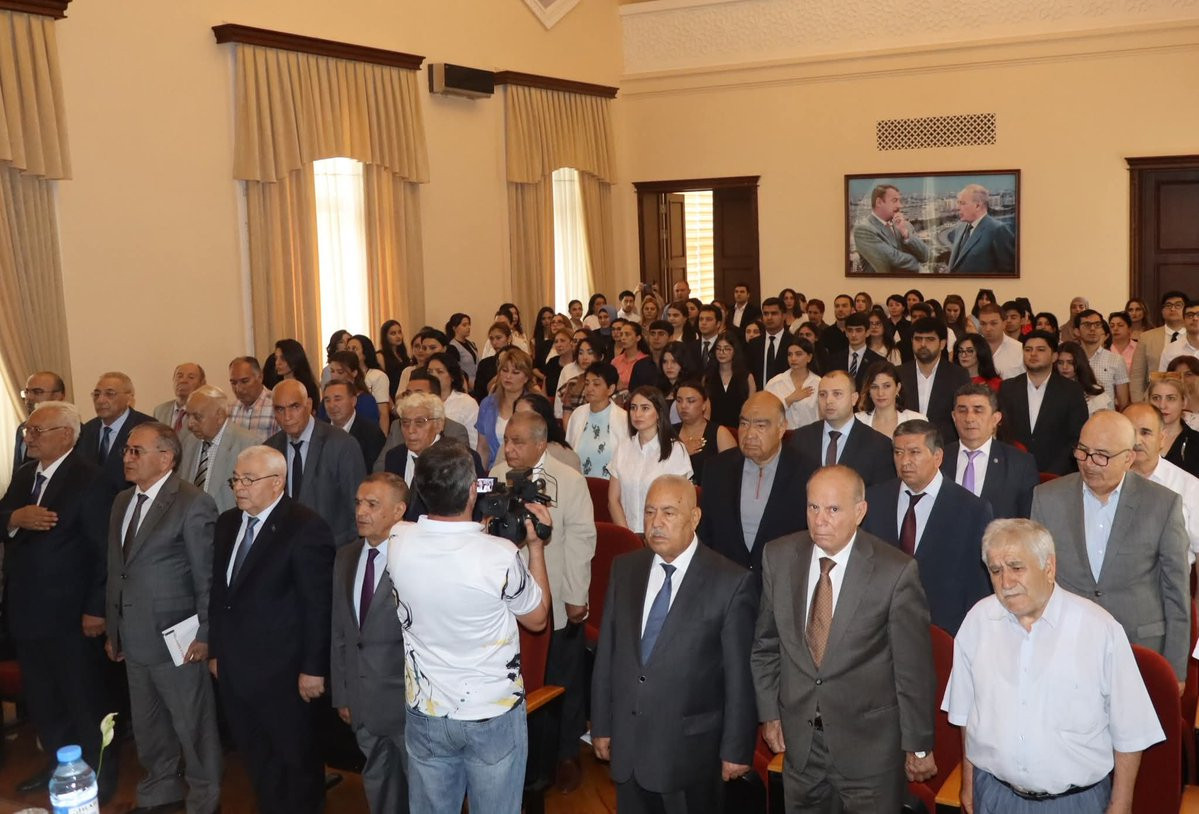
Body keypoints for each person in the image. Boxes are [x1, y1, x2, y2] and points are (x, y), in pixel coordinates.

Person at [943, 518, 1164, 813]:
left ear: (1049, 567)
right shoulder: (977, 622)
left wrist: (1121, 804)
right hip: (995, 795)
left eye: (1016, 567)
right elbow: (966, 715)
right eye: (996, 571)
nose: (1006, 583)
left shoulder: (1099, 630)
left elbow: (1131, 730)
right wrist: (969, 786)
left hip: (1074, 803)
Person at [752, 465, 937, 812]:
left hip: (869, 750)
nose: (820, 520)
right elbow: (766, 645)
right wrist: (769, 713)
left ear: (859, 511)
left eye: (833, 509)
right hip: (801, 745)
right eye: (813, 507)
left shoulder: (894, 571)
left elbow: (913, 670)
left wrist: (919, 744)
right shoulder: (778, 557)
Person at [387, 441, 551, 814]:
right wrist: (536, 548)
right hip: (491, 712)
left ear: (420, 490)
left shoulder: (398, 539)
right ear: (474, 490)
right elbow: (537, 618)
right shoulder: (500, 556)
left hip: (426, 710)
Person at [592, 475, 758, 812]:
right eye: (650, 512)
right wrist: (602, 724)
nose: (656, 523)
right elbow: (607, 654)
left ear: (694, 518)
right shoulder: (625, 569)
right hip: (629, 745)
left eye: (668, 513)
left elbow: (739, 676)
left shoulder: (730, 582)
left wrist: (737, 748)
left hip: (690, 755)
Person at [208, 446, 335, 814]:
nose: (239, 487)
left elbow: (318, 606)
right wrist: (216, 651)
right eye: (236, 480)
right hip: (235, 668)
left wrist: (313, 668)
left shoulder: (305, 527)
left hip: (285, 673)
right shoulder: (228, 523)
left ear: (278, 482)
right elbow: (219, 593)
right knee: (256, 757)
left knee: (296, 760)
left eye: (249, 480)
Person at [105, 422, 222, 814]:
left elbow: (207, 576)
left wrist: (205, 633)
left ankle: (204, 798)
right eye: (126, 450)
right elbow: (116, 569)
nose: (127, 457)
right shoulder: (122, 501)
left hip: (178, 639)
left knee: (192, 725)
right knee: (148, 724)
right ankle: (160, 789)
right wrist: (114, 629)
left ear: (166, 458)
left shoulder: (193, 502)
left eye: (136, 451)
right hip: (133, 635)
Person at [0, 402, 113, 800]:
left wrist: (96, 608)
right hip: (27, 610)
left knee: (83, 699)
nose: (28, 438)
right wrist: (15, 519)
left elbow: (104, 551)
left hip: (71, 614)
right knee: (44, 700)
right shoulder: (25, 474)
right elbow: (2, 514)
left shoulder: (91, 479)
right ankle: (59, 767)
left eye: (37, 431)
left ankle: (99, 776)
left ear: (66, 435)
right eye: (27, 431)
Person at [1030, 410, 1190, 683]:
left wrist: (1174, 670)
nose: (1089, 464)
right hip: (1065, 645)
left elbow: (1176, 593)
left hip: (1139, 648)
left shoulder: (1162, 504)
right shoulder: (1047, 497)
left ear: (1128, 458)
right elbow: (1037, 579)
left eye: (1102, 455)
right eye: (1083, 451)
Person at [491, 411, 596, 790]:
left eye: (518, 442)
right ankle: (521, 753)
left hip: (555, 592)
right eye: (506, 440)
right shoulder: (498, 474)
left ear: (540, 444)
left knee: (563, 677)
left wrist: (576, 596)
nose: (509, 449)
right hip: (506, 598)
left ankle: (566, 753)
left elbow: (582, 540)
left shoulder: (568, 480)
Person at [861, 419, 992, 634]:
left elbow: (978, 584)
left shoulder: (972, 510)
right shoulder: (874, 500)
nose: (905, 461)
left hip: (944, 629)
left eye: (914, 452)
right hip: (882, 627)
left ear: (937, 457)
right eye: (898, 453)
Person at [332, 473, 411, 814]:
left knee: (423, 791)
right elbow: (340, 631)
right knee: (379, 787)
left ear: (398, 511)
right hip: (362, 703)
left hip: (407, 704)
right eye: (358, 503)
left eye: (372, 504)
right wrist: (343, 693)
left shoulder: (416, 558)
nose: (361, 511)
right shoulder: (346, 556)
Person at [699, 392, 814, 573]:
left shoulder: (807, 472)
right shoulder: (716, 469)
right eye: (744, 424)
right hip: (726, 576)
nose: (749, 434)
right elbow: (705, 533)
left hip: (783, 577)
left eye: (760, 426)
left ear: (781, 429)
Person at [265, 379, 366, 547]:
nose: (287, 417)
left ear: (309, 404)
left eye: (295, 407)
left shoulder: (342, 444)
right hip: (284, 549)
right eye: (280, 409)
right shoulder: (270, 449)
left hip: (333, 549)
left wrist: (348, 555)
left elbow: (357, 505)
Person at [997, 331, 1089, 475]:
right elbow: (1001, 432)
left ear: (1054, 356)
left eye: (1040, 349)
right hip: (1013, 469)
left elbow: (1077, 435)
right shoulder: (1007, 388)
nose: (1033, 354)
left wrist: (1054, 472)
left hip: (1058, 473)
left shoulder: (1072, 390)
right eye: (1028, 350)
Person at [942, 383, 1039, 519]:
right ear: (954, 417)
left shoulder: (1020, 463)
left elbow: (1027, 520)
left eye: (978, 411)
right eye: (962, 411)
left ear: (995, 419)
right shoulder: (937, 459)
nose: (969, 418)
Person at [788, 370, 896, 487]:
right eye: (823, 394)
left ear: (854, 398)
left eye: (837, 394)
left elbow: (883, 493)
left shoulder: (879, 445)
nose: (828, 401)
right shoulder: (800, 438)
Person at [608, 386, 692, 533]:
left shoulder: (675, 450)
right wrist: (628, 536)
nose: (637, 414)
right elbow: (613, 500)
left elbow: (680, 501)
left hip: (663, 532)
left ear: (659, 413)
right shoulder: (623, 447)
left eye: (645, 408)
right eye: (633, 408)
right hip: (627, 532)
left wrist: (654, 533)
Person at [1125, 403, 1199, 566]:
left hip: (1169, 578)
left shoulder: (1190, 486)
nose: (1136, 440)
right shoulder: (1106, 481)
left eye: (1145, 432)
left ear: (1162, 438)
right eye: (1130, 432)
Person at [179, 384, 260, 514]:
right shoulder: (188, 441)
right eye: (188, 415)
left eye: (197, 417)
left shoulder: (248, 444)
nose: (190, 424)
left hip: (226, 521)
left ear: (220, 416)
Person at [78, 371, 154, 495]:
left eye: (110, 394)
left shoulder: (148, 428)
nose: (100, 400)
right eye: (96, 394)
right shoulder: (87, 429)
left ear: (129, 399)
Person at [898, 317, 972, 444]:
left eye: (930, 339)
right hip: (905, 444)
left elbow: (963, 415)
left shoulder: (958, 375)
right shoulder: (899, 374)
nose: (923, 344)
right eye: (918, 339)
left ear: (942, 344)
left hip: (944, 446)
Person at [476, 346, 535, 470]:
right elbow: (483, 448)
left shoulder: (535, 405)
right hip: (494, 471)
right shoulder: (487, 404)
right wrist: (481, 477)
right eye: (504, 370)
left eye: (515, 372)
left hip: (527, 472)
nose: (508, 376)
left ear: (526, 378)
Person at [566, 362, 627, 480]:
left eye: (596, 384)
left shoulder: (623, 419)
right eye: (587, 383)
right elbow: (569, 453)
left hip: (609, 485)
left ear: (610, 389)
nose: (589, 388)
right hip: (579, 483)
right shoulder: (577, 414)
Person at [852, 183, 930, 274]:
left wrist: (906, 235)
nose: (900, 205)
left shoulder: (905, 225)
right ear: (879, 202)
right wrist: (917, 264)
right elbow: (891, 261)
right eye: (894, 201)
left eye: (900, 201)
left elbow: (925, 256)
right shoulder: (863, 229)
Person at [672, 379, 736, 484]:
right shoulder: (668, 432)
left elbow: (733, 472)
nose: (683, 406)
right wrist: (680, 452)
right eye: (679, 401)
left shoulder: (719, 433)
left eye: (690, 401)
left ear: (704, 405)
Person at [1130, 290, 1189, 402]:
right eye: (1168, 305)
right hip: (1154, 400)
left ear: (1186, 310)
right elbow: (1137, 376)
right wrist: (1139, 404)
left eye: (1178, 305)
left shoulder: (1194, 336)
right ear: (1162, 311)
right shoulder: (1146, 337)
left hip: (1189, 400)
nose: (1173, 309)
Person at [947, 183, 1015, 275]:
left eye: (962, 203)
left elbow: (1008, 271)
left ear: (977, 206)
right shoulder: (960, 227)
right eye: (958, 203)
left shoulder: (998, 230)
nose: (957, 208)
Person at [1070, 310, 1130, 409]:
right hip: (1076, 416)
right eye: (1087, 325)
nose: (1092, 328)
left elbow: (1123, 403)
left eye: (1097, 325)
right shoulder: (1069, 359)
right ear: (1077, 331)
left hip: (1106, 416)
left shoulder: (1116, 360)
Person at [323, 380, 386, 473]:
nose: (331, 405)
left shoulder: (371, 433)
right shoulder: (319, 430)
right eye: (327, 400)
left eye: (337, 399)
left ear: (353, 401)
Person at [854, 361, 926, 439]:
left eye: (886, 386)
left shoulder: (917, 421)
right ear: (868, 390)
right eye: (874, 387)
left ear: (897, 388)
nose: (880, 393)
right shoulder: (857, 420)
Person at [13, 370, 66, 475]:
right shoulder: (22, 429)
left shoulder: (70, 430)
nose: (29, 398)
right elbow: (17, 472)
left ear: (58, 396)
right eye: (27, 392)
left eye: (37, 392)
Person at [515, 392, 582, 472]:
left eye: (526, 417)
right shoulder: (508, 449)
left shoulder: (565, 456)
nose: (518, 422)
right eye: (516, 416)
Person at [426, 351, 479, 449]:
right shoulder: (421, 401)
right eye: (429, 372)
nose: (433, 376)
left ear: (452, 376)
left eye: (440, 372)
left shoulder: (466, 402)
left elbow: (474, 441)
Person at [765, 337, 821, 430]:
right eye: (790, 354)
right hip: (782, 435)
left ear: (809, 357)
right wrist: (789, 400)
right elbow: (765, 412)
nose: (793, 358)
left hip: (810, 435)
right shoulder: (775, 383)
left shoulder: (819, 383)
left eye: (798, 354)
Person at [1149, 374, 1199, 477]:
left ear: (1184, 402)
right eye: (1156, 398)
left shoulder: (1196, 442)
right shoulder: (1134, 439)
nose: (1162, 405)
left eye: (1171, 398)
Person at [319, 350, 383, 429]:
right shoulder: (326, 399)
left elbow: (370, 429)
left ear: (354, 373)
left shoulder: (366, 401)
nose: (334, 376)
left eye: (340, 372)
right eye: (332, 371)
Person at [705, 334, 756, 429]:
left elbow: (751, 409)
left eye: (727, 349)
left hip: (739, 429)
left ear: (735, 351)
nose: (722, 352)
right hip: (714, 429)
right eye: (718, 348)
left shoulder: (747, 377)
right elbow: (705, 411)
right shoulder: (708, 377)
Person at [747, 297, 796, 391]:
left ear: (784, 316)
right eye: (766, 314)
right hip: (759, 395)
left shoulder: (794, 342)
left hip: (787, 395)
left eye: (774, 313)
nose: (769, 317)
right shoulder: (753, 344)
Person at [228, 356, 279, 441]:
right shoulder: (230, 409)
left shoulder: (276, 405)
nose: (238, 389)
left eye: (244, 381)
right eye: (233, 383)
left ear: (260, 377)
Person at [1055, 341, 1113, 414]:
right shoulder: (1050, 389)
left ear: (1080, 363)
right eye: (1060, 363)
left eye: (1070, 362)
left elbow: (1102, 419)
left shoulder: (1094, 392)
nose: (1064, 367)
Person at [152, 362, 206, 433]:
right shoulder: (160, 411)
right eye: (179, 376)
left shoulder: (206, 412)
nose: (183, 381)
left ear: (202, 383)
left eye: (191, 377)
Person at [976, 304, 1023, 380]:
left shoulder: (1020, 349)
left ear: (1004, 324)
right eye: (983, 324)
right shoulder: (972, 348)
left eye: (993, 323)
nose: (988, 328)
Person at [273, 338, 321, 405]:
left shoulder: (308, 387)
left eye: (283, 358)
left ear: (294, 359)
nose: (277, 363)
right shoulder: (275, 385)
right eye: (276, 358)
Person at [1159, 298, 1199, 372]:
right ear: (1183, 320)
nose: (1195, 318)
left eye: (1198, 314)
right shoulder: (1170, 350)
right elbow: (1164, 378)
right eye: (1190, 315)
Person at [380, 319, 414, 399]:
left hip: (405, 396)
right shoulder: (381, 356)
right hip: (390, 396)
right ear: (385, 337)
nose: (398, 336)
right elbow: (382, 384)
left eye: (399, 332)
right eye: (393, 333)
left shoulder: (404, 355)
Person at [1108, 310, 1138, 375]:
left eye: (1120, 325)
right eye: (1112, 326)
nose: (1115, 328)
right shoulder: (1105, 348)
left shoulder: (1138, 348)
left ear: (1129, 329)